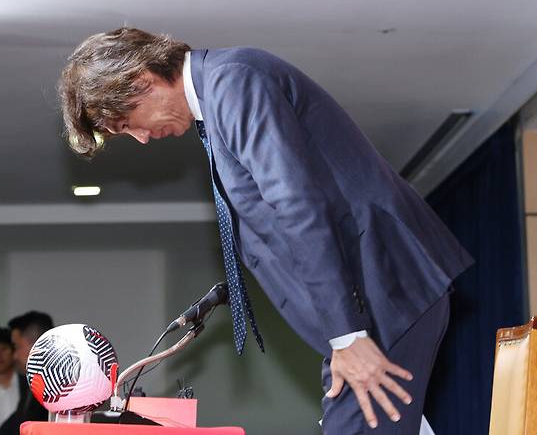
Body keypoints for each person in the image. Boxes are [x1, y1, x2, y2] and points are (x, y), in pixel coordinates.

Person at [58, 27, 474, 434]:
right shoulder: (220, 94)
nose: (142, 139)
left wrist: (348, 337)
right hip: (373, 297)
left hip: (383, 290)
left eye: (127, 123)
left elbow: (299, 205)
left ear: (141, 80)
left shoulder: (234, 81)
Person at [6, 311, 53, 423]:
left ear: (37, 344)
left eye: (17, 346)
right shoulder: (33, 383)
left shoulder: (57, 388)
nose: (15, 356)